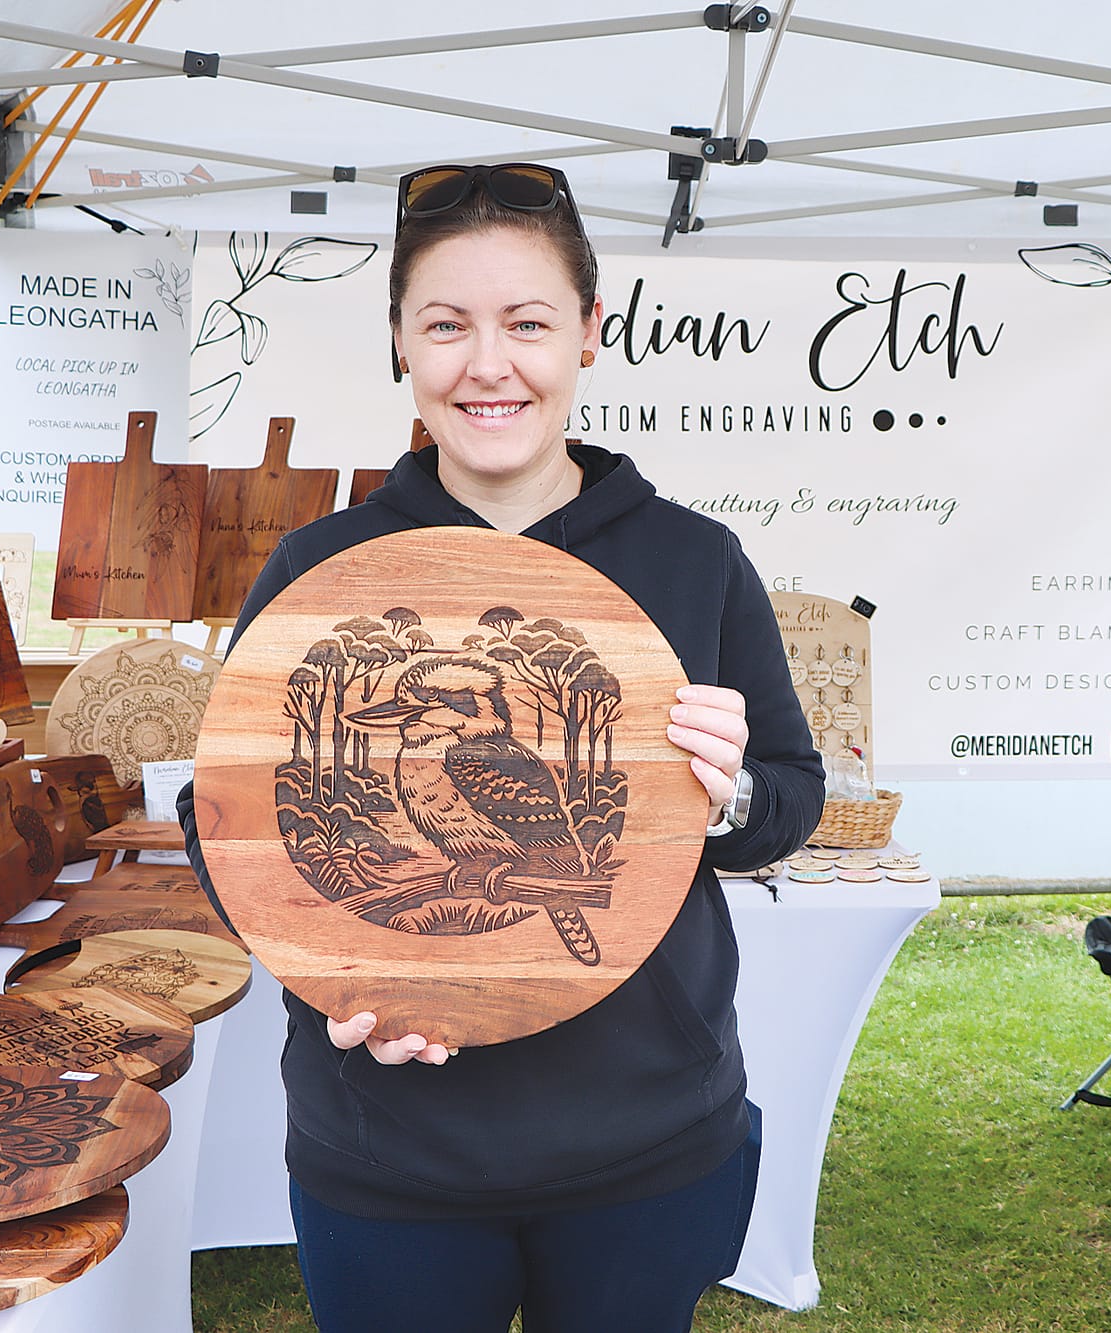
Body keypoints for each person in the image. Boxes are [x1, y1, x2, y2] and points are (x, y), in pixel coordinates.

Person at [178, 162, 824, 1332]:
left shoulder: (693, 561)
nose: (488, 364)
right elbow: (220, 817)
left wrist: (724, 794)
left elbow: (789, 798)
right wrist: (319, 956)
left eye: (526, 323)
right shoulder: (316, 570)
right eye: (446, 325)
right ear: (398, 345)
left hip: (646, 1138)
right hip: (388, 1146)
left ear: (587, 332)